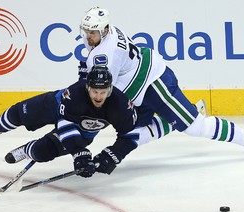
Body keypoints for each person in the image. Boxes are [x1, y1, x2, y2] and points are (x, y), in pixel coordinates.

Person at [78, 6, 244, 146]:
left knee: (196, 127)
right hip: (138, 88)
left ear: (105, 30)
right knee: (134, 135)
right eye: (86, 31)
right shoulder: (108, 32)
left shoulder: (106, 55)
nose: (88, 35)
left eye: (92, 32)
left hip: (154, 83)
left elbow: (105, 91)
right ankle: (175, 120)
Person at [0, 66, 140, 177]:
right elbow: (65, 122)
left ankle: (27, 149)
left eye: (102, 92)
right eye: (94, 91)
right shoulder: (75, 94)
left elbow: (131, 135)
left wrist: (112, 155)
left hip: (83, 130)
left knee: (42, 152)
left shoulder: (120, 104)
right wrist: (78, 151)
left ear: (110, 89)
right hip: (54, 105)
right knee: (20, 113)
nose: (98, 97)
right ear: (87, 87)